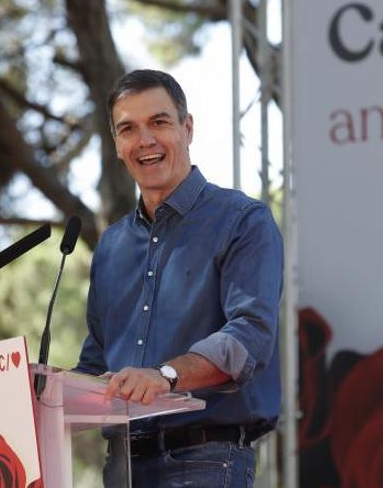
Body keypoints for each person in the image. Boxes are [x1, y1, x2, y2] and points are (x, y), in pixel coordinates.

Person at [75, 69, 283, 488]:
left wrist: (164, 375)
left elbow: (249, 336)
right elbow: (96, 363)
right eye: (128, 129)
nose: (145, 141)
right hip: (121, 468)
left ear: (187, 128)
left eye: (159, 122)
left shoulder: (242, 220)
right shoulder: (112, 246)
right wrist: (34, 391)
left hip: (205, 461)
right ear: (117, 145)